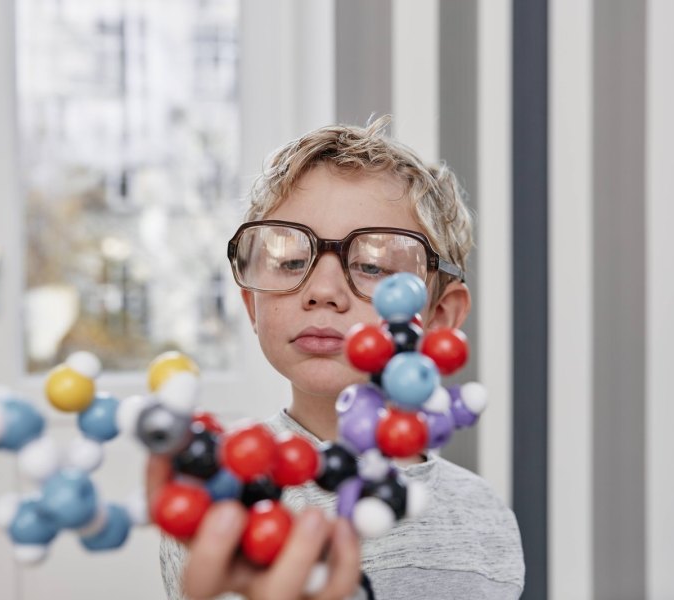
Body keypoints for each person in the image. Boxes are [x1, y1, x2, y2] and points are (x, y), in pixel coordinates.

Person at [149, 117, 525, 599]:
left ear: (438, 317)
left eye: (372, 265)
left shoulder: (485, 516)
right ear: (253, 306)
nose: (322, 291)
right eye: (289, 262)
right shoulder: (223, 494)